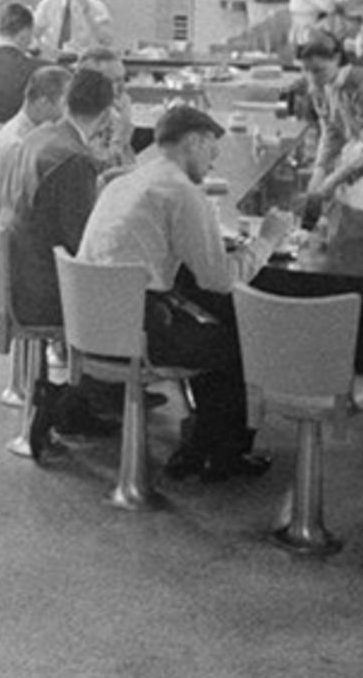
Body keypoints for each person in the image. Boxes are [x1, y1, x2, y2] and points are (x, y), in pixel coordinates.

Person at [79, 105, 287, 481]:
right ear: (192, 142)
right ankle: (223, 455)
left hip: (91, 324)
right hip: (138, 330)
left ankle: (201, 445)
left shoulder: (125, 181)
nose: (215, 158)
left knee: (204, 325)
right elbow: (220, 279)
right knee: (236, 340)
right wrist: (268, 240)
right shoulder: (181, 191)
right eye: (210, 147)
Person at [9, 69, 124, 457]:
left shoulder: (39, 137)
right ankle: (69, 400)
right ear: (106, 114)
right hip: (48, 289)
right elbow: (84, 243)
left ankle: (80, 401)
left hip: (23, 270)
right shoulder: (76, 160)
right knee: (139, 300)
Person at [297, 30, 363, 230]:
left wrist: (331, 182)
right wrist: (319, 171)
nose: (312, 77)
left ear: (337, 59)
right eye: (307, 70)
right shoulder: (320, 87)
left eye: (318, 70)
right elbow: (331, 133)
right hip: (361, 152)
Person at [0, 65, 72, 228]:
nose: (69, 113)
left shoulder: (25, 131)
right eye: (66, 105)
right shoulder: (19, 145)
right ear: (43, 103)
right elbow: (24, 210)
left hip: (5, 219)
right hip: (3, 230)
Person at [75, 47, 137, 173]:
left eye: (123, 79)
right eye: (114, 81)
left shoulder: (113, 112)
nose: (122, 88)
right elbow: (98, 169)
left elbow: (127, 163)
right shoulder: (81, 121)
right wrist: (122, 132)